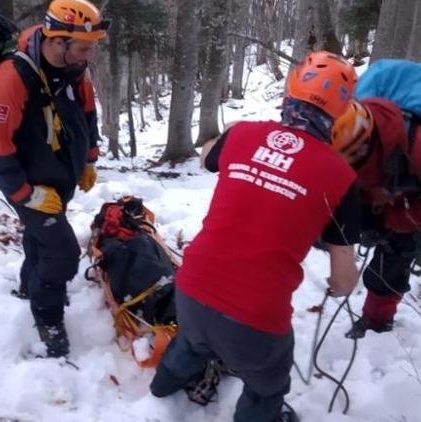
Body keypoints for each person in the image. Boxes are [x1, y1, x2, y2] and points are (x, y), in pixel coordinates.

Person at [149, 51, 362, 422]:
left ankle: (160, 390)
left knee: (194, 341)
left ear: (290, 91)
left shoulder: (244, 134)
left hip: (192, 286)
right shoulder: (342, 179)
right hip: (256, 317)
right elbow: (344, 280)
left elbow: (206, 158)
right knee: (267, 384)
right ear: (340, 112)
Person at [0, 0, 108, 358]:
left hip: (59, 174)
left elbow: (88, 112)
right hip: (28, 183)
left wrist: (89, 158)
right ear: (58, 40)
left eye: (92, 47)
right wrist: (25, 194)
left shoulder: (74, 68)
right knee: (63, 253)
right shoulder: (12, 78)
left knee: (43, 238)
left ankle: (28, 285)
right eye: (83, 47)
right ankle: (47, 317)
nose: (88, 55)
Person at [331, 96, 421, 339]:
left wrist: (393, 221)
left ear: (362, 145)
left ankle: (376, 321)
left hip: (410, 204)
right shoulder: (343, 131)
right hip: (369, 193)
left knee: (390, 264)